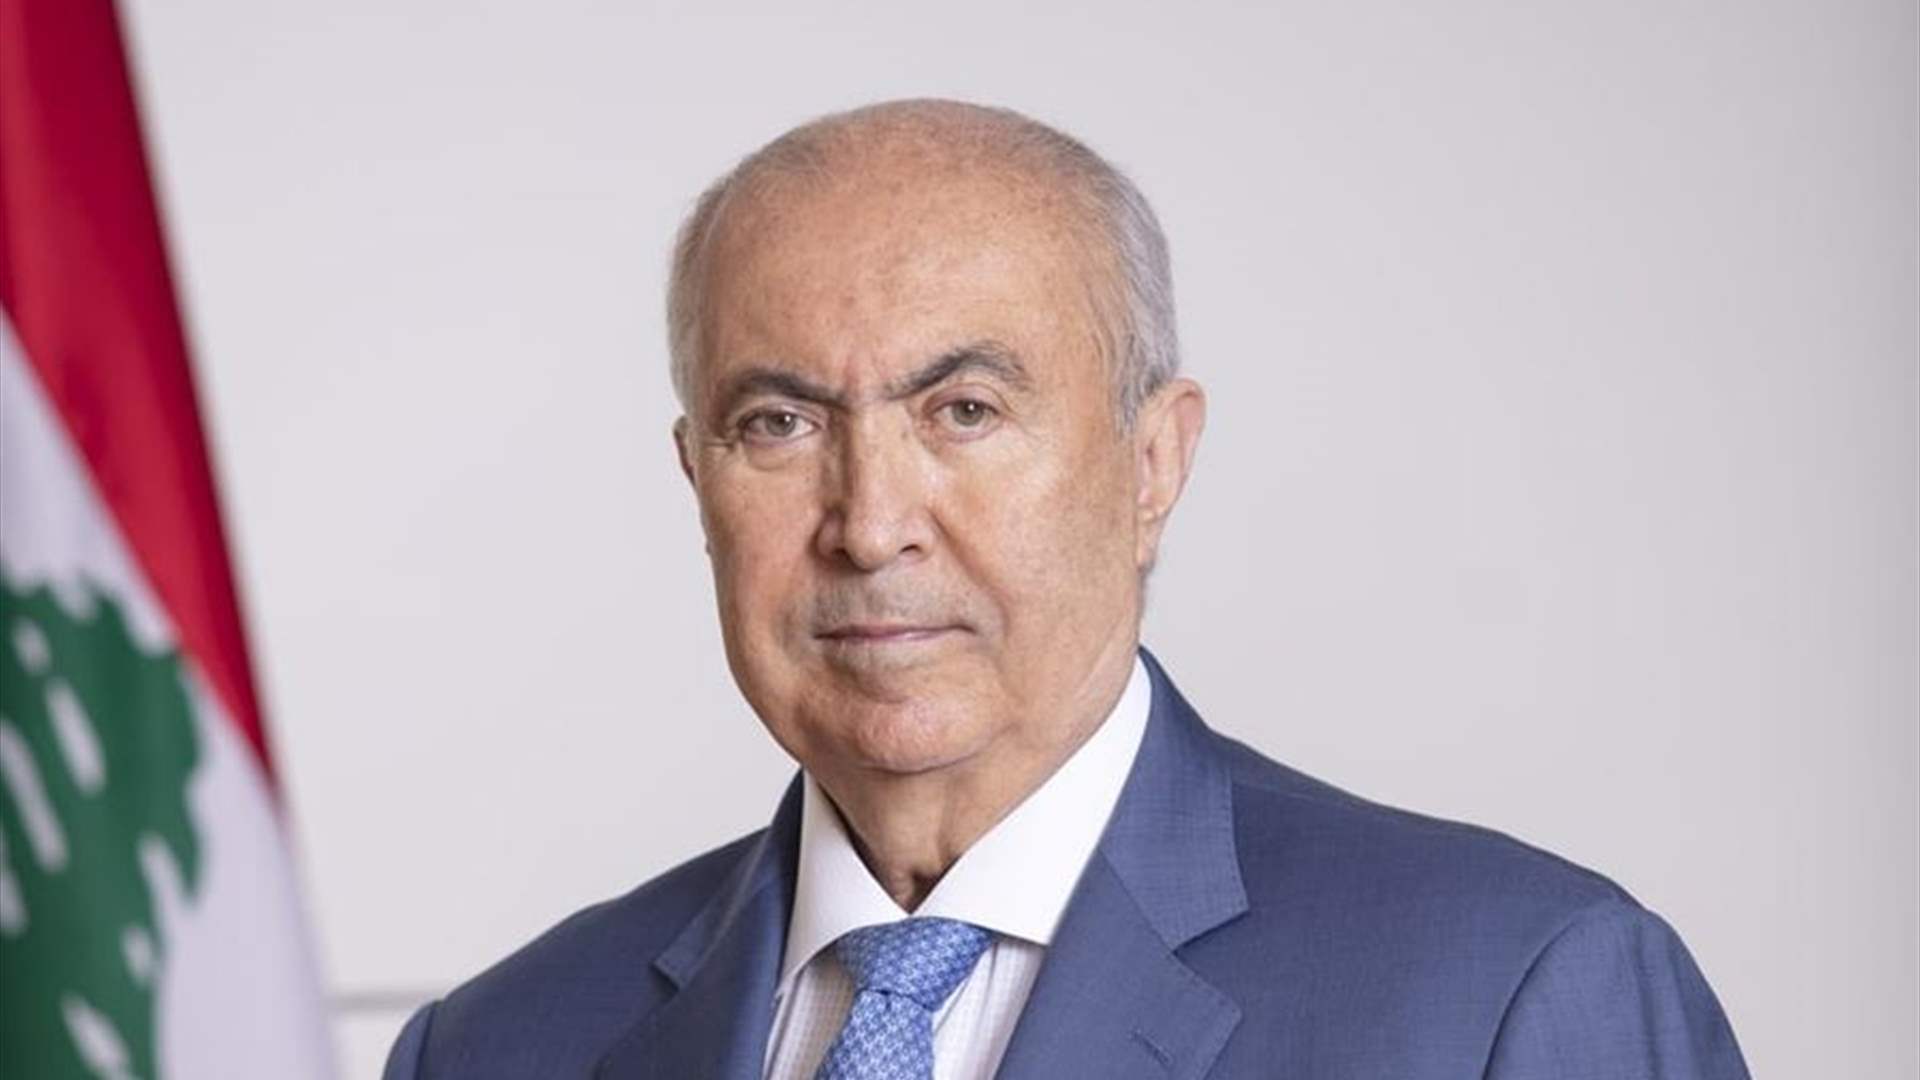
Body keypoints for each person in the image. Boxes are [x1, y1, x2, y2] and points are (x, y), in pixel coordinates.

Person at [382, 99, 1750, 1079]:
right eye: (780, 425)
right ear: (699, 481)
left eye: (965, 411)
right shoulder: (498, 1046)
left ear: (1153, 463)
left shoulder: (1510, 995)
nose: (870, 527)